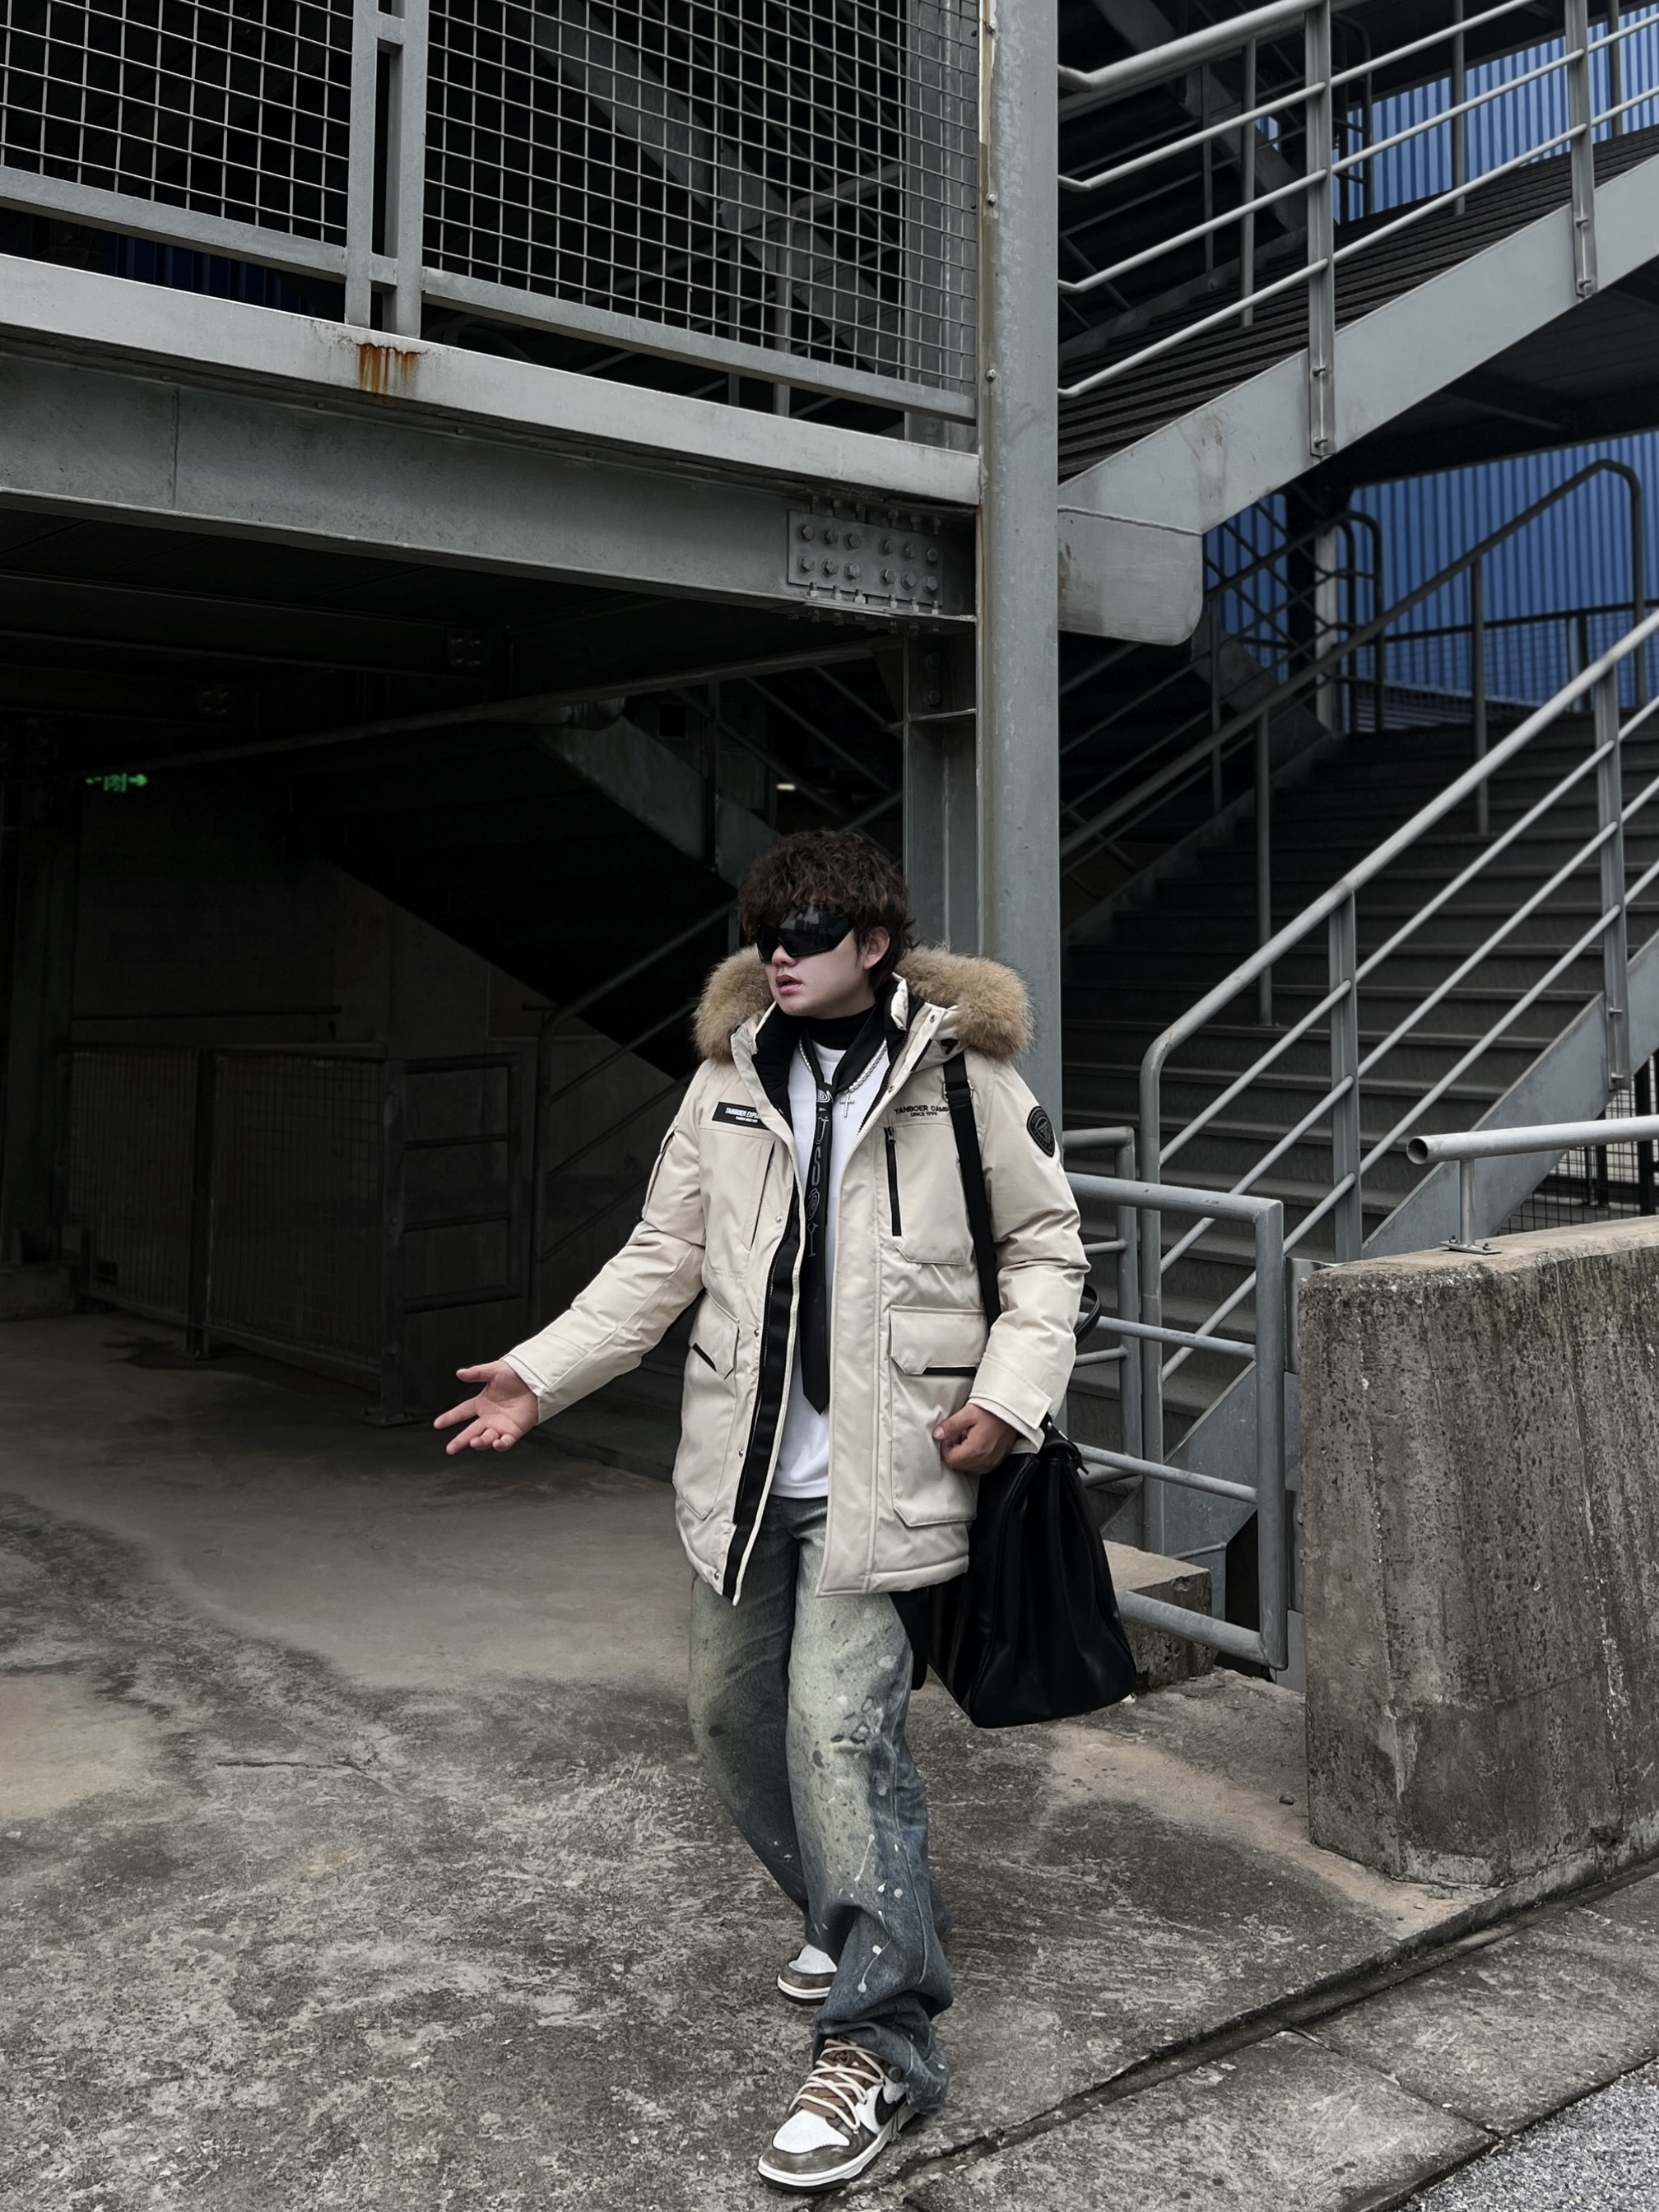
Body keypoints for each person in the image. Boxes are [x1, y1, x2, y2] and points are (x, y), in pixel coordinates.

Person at [437, 830, 1085, 2191]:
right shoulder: (730, 1077)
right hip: (742, 1478)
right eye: (765, 935)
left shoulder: (963, 1076)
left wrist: (1011, 1396)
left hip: (893, 1478)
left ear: (875, 945)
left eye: (808, 935)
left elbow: (1044, 1252)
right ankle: (866, 1915)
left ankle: (881, 2041)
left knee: (839, 1735)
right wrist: (542, 1375)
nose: (779, 956)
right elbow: (661, 1257)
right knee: (730, 1723)